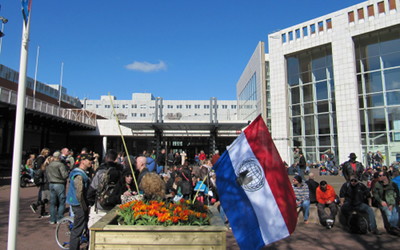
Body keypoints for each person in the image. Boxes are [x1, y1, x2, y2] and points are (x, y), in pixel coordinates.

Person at [87, 149, 123, 228]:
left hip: (99, 208)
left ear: (106, 158)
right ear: (116, 159)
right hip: (114, 208)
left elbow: (92, 190)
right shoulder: (120, 172)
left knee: (94, 233)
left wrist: (92, 203)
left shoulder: (100, 171)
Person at [66, 154, 92, 250]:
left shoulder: (79, 173)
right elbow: (79, 192)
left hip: (77, 203)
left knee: (80, 227)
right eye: (89, 160)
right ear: (82, 161)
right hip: (79, 205)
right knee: (78, 229)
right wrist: (84, 206)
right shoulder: (79, 175)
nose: (91, 161)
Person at [46, 151, 69, 224]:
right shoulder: (60, 165)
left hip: (51, 183)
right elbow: (64, 175)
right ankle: (60, 218)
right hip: (59, 183)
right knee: (61, 201)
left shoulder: (49, 165)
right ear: (59, 157)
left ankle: (52, 219)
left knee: (52, 202)